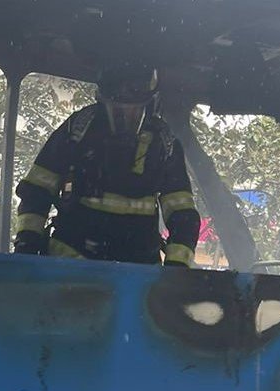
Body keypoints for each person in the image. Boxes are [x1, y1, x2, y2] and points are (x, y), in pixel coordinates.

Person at [14, 64, 200, 266]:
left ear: (149, 104)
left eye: (134, 109)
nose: (125, 117)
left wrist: (176, 268)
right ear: (103, 100)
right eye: (118, 108)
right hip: (71, 265)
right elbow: (36, 191)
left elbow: (183, 214)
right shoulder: (78, 129)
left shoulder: (165, 143)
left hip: (138, 272)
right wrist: (27, 246)